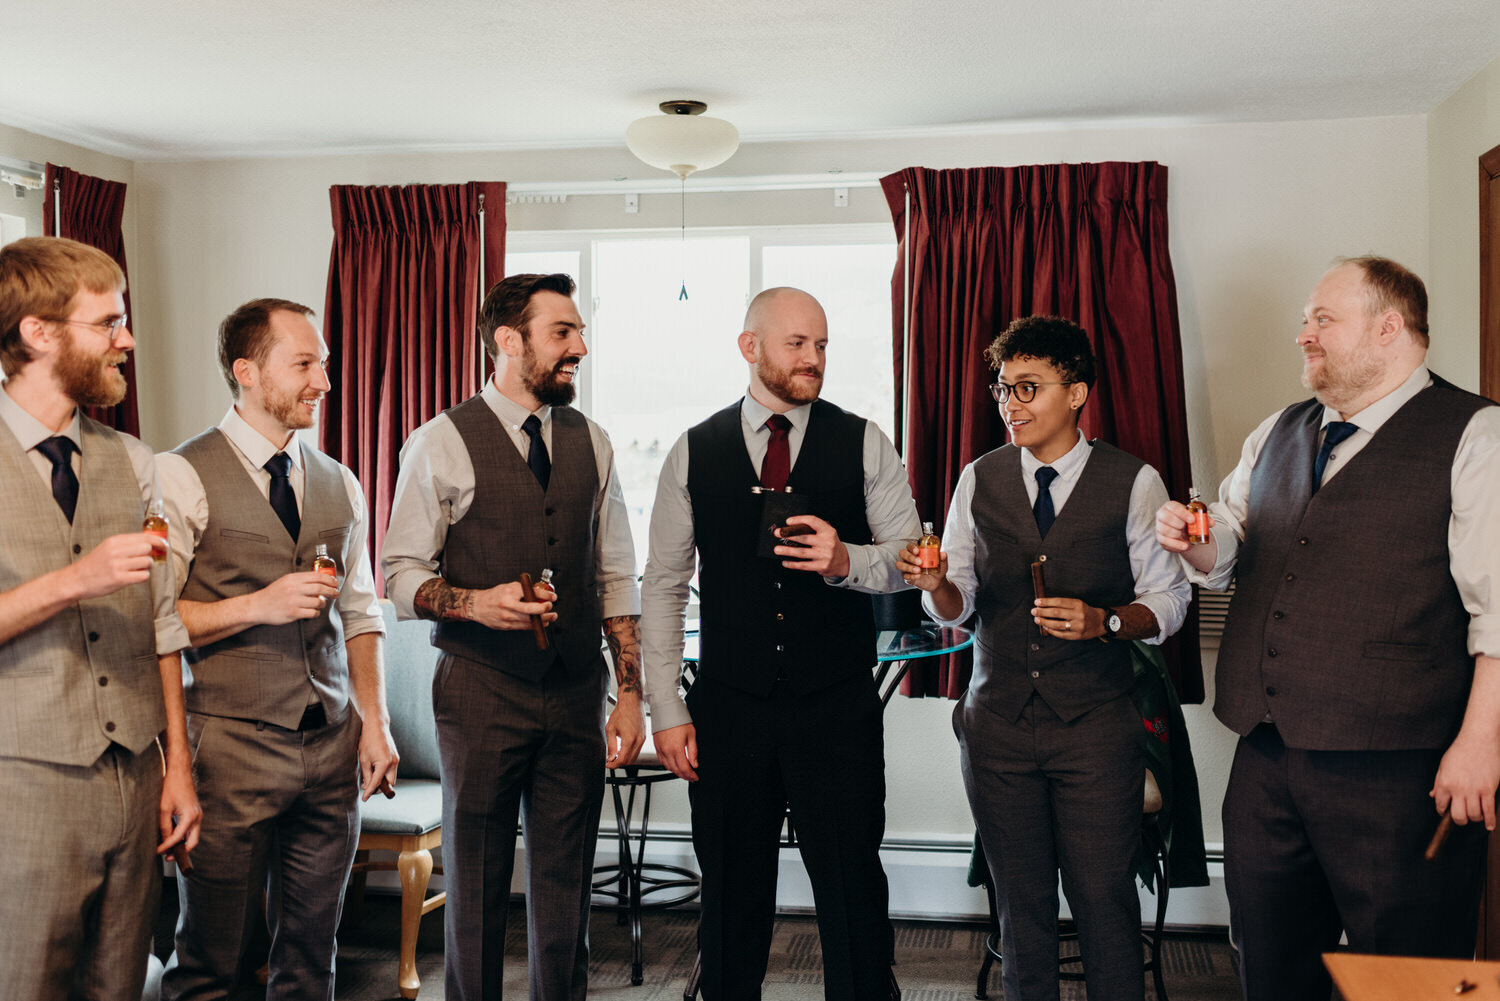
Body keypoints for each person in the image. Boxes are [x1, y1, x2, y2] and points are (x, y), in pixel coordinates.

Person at [1155, 256, 1500, 1001]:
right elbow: (1233, 547)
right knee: (1270, 963)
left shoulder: (1476, 434)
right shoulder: (1279, 429)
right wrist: (1196, 540)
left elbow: (1497, 606)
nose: (1303, 334)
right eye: (1307, 319)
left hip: (1402, 766)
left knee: (1411, 978)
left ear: (1389, 328)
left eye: (1322, 319)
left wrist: (1481, 744)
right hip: (1268, 756)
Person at [642, 286, 921, 1001]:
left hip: (836, 706)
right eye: (797, 343)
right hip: (730, 707)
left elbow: (912, 553)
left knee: (853, 886)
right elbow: (665, 584)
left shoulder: (863, 440)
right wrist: (667, 706)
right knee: (731, 896)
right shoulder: (692, 451)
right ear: (751, 347)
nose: (813, 358)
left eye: (822, 345)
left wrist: (845, 561)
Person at [899, 315, 1188, 1001]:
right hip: (996, 725)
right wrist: (935, 585)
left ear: (1079, 392)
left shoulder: (1135, 481)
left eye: (1029, 387)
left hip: (1096, 729)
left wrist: (1107, 619)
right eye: (1003, 388)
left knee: (1102, 901)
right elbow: (958, 603)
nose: (1011, 404)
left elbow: (1169, 602)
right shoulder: (979, 478)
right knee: (1020, 908)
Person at [382, 272, 642, 1001]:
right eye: (563, 333)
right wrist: (471, 602)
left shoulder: (594, 441)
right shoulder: (439, 441)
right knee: (476, 888)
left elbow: (617, 574)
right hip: (479, 691)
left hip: (575, 694)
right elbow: (399, 572)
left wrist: (629, 696)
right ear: (507, 340)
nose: (580, 348)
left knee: (567, 891)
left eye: (579, 332)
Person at [157, 298, 398, 1000]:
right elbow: (150, 618)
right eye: (305, 363)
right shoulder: (180, 476)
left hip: (329, 752)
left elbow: (361, 611)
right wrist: (255, 606)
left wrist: (374, 722)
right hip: (226, 749)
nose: (324, 379)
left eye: (323, 362)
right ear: (247, 372)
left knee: (312, 959)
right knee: (212, 962)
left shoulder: (340, 482)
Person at [0, 235, 200, 1001]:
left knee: (119, 987)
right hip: (22, 781)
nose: (128, 340)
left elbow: (161, 625)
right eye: (108, 323)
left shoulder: (133, 460)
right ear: (38, 333)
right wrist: (70, 582)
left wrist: (176, 764)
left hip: (136, 781)